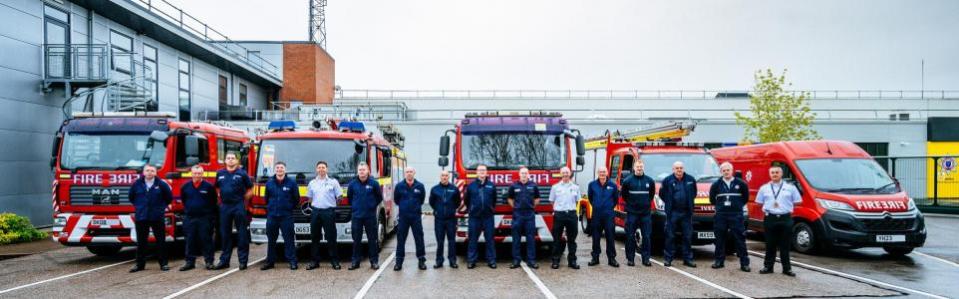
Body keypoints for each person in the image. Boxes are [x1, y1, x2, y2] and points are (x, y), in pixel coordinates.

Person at [757, 166, 802, 277]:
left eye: (777, 172)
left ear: (781, 174)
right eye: (772, 172)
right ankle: (768, 267)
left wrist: (785, 207)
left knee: (785, 245)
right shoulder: (764, 188)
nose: (775, 174)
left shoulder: (790, 188)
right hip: (770, 218)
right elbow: (759, 202)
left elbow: (798, 201)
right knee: (770, 244)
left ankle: (787, 269)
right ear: (770, 174)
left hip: (785, 218)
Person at [128, 164, 173, 272]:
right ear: (143, 172)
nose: (149, 172)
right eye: (147, 170)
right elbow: (131, 197)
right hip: (142, 217)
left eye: (152, 171)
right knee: (141, 242)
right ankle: (140, 265)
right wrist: (140, 207)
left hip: (157, 216)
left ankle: (163, 264)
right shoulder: (136, 184)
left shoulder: (162, 184)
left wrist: (160, 208)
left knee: (160, 241)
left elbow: (168, 198)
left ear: (155, 172)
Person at [213, 152, 254, 270]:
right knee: (225, 234)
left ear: (237, 161)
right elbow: (216, 187)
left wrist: (244, 199)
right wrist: (219, 198)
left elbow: (251, 188)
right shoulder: (220, 173)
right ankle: (224, 261)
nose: (230, 160)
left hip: (238, 206)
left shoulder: (242, 174)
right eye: (228, 158)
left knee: (242, 234)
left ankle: (243, 261)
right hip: (225, 206)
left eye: (232, 158)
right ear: (225, 160)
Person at [709, 162, 751, 272]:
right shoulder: (716, 184)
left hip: (736, 215)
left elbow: (745, 198)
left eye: (728, 170)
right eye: (724, 170)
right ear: (721, 171)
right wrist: (721, 207)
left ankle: (744, 263)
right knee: (720, 239)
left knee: (740, 239)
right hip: (721, 215)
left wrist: (736, 206)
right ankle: (719, 261)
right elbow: (712, 200)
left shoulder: (741, 184)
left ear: (731, 170)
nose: (726, 172)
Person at [260, 162, 300, 271]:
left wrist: (288, 208)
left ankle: (292, 262)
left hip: (286, 216)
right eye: (277, 168)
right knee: (271, 240)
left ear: (285, 170)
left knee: (289, 240)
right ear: (275, 170)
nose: (279, 169)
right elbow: (266, 199)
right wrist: (271, 208)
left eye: (281, 168)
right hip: (272, 216)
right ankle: (270, 262)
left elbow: (296, 199)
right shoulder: (269, 183)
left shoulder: (291, 183)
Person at [659, 161, 698, 268]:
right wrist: (670, 204)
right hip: (673, 212)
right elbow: (662, 194)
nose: (679, 170)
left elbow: (694, 193)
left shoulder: (690, 180)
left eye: (681, 168)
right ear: (673, 169)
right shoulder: (667, 180)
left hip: (686, 212)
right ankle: (668, 259)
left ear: (683, 169)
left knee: (687, 236)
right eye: (677, 168)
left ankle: (688, 259)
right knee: (670, 236)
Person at [179, 164, 218, 271]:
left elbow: (213, 202)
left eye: (199, 173)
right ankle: (189, 262)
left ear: (203, 174)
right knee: (190, 241)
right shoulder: (185, 187)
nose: (197, 175)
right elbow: (184, 200)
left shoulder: (209, 187)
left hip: (204, 218)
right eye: (195, 173)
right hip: (190, 218)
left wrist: (210, 217)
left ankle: (209, 262)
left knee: (206, 240)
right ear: (191, 174)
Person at [306, 161, 343, 270]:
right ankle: (314, 261)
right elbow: (309, 198)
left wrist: (335, 204)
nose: (321, 169)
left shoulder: (333, 182)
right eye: (319, 167)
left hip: (328, 212)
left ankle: (334, 261)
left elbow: (339, 197)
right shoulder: (312, 183)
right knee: (314, 237)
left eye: (323, 167)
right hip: (316, 212)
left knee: (331, 237)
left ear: (327, 169)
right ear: (316, 169)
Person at [347, 162, 383, 270]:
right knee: (356, 240)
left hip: (370, 216)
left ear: (368, 171)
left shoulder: (374, 183)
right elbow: (350, 198)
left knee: (372, 240)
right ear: (357, 172)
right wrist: (355, 207)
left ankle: (374, 262)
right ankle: (355, 262)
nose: (361, 172)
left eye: (363, 170)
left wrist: (371, 206)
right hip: (357, 216)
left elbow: (379, 197)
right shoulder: (352, 184)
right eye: (360, 170)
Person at [621, 160, 656, 267]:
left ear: (643, 168)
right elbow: (624, 195)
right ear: (634, 168)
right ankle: (630, 259)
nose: (639, 168)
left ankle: (646, 259)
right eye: (637, 167)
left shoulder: (650, 181)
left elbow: (651, 195)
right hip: (632, 213)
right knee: (630, 236)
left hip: (645, 214)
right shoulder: (627, 181)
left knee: (646, 237)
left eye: (641, 167)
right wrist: (632, 205)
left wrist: (644, 204)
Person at [394, 167, 428, 271]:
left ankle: (421, 260)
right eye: (407, 172)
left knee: (419, 238)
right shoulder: (399, 186)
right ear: (405, 173)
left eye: (411, 172)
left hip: (415, 217)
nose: (409, 174)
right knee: (401, 240)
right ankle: (398, 262)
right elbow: (396, 200)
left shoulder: (420, 186)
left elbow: (422, 199)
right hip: (403, 217)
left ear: (414, 173)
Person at [464, 164, 497, 269]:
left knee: (490, 239)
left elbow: (494, 200)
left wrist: (490, 208)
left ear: (487, 172)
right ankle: (471, 260)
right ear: (476, 172)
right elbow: (467, 200)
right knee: (473, 239)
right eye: (480, 170)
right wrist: (472, 209)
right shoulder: (471, 186)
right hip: (475, 217)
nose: (482, 172)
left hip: (488, 217)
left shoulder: (492, 185)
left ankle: (491, 260)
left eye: (484, 170)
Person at [508, 166, 541, 269]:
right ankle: (516, 260)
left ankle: (531, 261)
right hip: (517, 215)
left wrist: (531, 207)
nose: (524, 175)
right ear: (519, 174)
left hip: (529, 215)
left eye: (525, 173)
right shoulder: (513, 186)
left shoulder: (533, 186)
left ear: (528, 174)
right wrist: (516, 207)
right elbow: (510, 199)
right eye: (522, 173)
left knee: (531, 238)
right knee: (516, 238)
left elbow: (537, 199)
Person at [549, 167, 581, 269]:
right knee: (557, 239)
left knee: (572, 239)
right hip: (559, 214)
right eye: (563, 173)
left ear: (570, 173)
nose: (565, 174)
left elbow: (577, 201)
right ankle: (555, 261)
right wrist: (558, 209)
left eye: (567, 172)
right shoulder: (555, 187)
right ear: (561, 174)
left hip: (571, 214)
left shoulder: (575, 187)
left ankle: (572, 261)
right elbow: (552, 201)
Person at [429, 170, 462, 269]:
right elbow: (432, 202)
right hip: (439, 219)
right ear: (440, 177)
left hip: (451, 219)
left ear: (449, 177)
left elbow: (458, 202)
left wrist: (451, 210)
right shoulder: (434, 189)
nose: (444, 177)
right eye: (443, 175)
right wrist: (438, 210)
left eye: (446, 176)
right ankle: (439, 261)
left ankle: (452, 261)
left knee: (451, 241)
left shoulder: (454, 189)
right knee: (440, 241)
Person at [588, 166, 619, 267]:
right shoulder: (592, 185)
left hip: (608, 216)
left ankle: (612, 259)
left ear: (607, 173)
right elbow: (590, 198)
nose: (602, 173)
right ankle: (595, 258)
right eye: (600, 172)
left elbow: (615, 200)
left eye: (604, 172)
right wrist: (597, 206)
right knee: (596, 237)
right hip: (596, 215)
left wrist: (608, 207)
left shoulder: (613, 185)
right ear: (598, 173)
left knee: (610, 237)